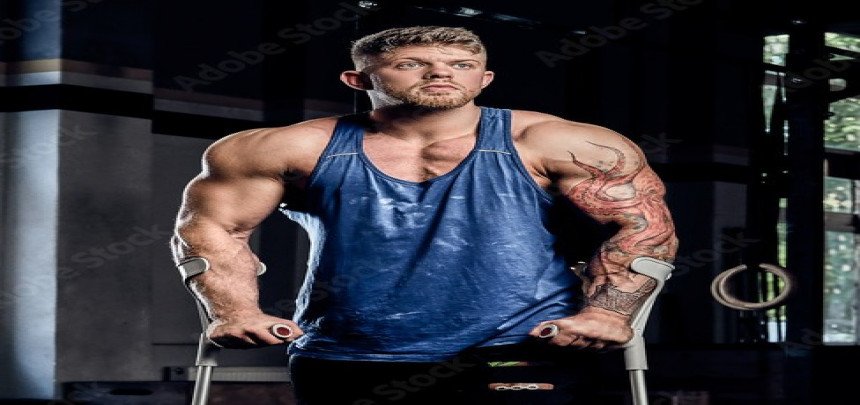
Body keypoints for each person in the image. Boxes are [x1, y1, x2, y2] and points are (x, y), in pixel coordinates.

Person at [171, 25, 678, 404]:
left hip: (520, 347)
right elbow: (212, 229)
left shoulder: (559, 142)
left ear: (485, 77)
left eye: (461, 63)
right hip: (346, 355)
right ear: (357, 79)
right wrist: (234, 312)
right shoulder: (285, 147)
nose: (440, 73)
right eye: (411, 63)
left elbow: (642, 227)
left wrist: (607, 313)